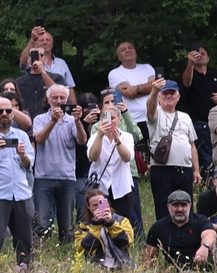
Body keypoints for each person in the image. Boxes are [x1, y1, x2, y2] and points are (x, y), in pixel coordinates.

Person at [143, 77, 202, 223]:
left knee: (187, 207)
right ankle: (164, 237)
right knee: (163, 208)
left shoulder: (185, 117)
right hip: (162, 169)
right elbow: (150, 107)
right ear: (159, 97)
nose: (168, 96)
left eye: (172, 93)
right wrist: (154, 90)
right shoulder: (156, 113)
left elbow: (192, 145)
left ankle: (187, 235)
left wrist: (196, 170)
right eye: (165, 93)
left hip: (185, 169)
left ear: (178, 96)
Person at [31, 84, 85, 241]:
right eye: (55, 97)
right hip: (43, 177)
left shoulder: (71, 120)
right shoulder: (40, 119)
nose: (59, 101)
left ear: (67, 100)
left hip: (67, 177)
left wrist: (78, 121)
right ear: (48, 99)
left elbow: (82, 141)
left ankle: (65, 252)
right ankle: (41, 251)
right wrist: (53, 122)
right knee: (41, 222)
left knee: (66, 224)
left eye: (62, 98)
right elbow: (39, 139)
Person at [144, 189, 217, 273]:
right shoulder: (158, 227)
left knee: (214, 252)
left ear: (190, 206)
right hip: (182, 270)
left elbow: (210, 234)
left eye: (183, 205)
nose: (180, 209)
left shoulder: (200, 221)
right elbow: (149, 256)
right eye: (175, 205)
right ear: (168, 206)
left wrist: (205, 247)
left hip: (204, 260)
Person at [86, 98, 142, 230]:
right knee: (102, 222)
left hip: (122, 187)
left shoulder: (126, 137)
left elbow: (127, 158)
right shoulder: (94, 137)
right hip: (102, 188)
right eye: (106, 118)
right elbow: (93, 157)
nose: (110, 121)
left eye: (113, 118)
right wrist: (100, 136)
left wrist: (117, 140)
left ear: (119, 120)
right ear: (101, 120)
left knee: (122, 223)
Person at [0, 94, 34, 269]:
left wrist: (23, 155)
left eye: (8, 111)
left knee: (24, 237)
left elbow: (29, 164)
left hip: (21, 193)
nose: (4, 114)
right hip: (1, 194)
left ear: (13, 113)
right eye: (0, 111)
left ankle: (24, 270)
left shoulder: (22, 135)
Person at [15, 24, 72, 121]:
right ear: (29, 59)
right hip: (26, 122)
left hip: (49, 120)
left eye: (41, 55)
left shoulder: (56, 78)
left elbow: (59, 93)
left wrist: (42, 72)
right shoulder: (19, 82)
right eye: (34, 55)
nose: (37, 57)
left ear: (46, 59)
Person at [74, 188, 136, 269]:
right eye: (94, 205)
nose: (98, 208)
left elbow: (127, 241)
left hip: (122, 264)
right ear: (88, 206)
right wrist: (95, 226)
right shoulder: (83, 227)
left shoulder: (122, 221)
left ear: (107, 203)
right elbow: (82, 248)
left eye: (101, 203)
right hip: (97, 266)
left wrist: (111, 223)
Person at [106, 41, 156, 112]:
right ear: (119, 57)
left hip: (154, 115)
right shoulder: (114, 73)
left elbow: (155, 87)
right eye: (123, 50)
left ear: (135, 53)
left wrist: (136, 89)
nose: (127, 50)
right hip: (130, 117)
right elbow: (128, 93)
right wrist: (150, 90)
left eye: (130, 48)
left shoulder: (148, 68)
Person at [178, 45, 217, 120]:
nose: (199, 56)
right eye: (196, 54)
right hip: (197, 120)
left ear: (208, 58)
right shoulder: (189, 74)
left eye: (202, 54)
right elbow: (186, 83)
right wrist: (190, 64)